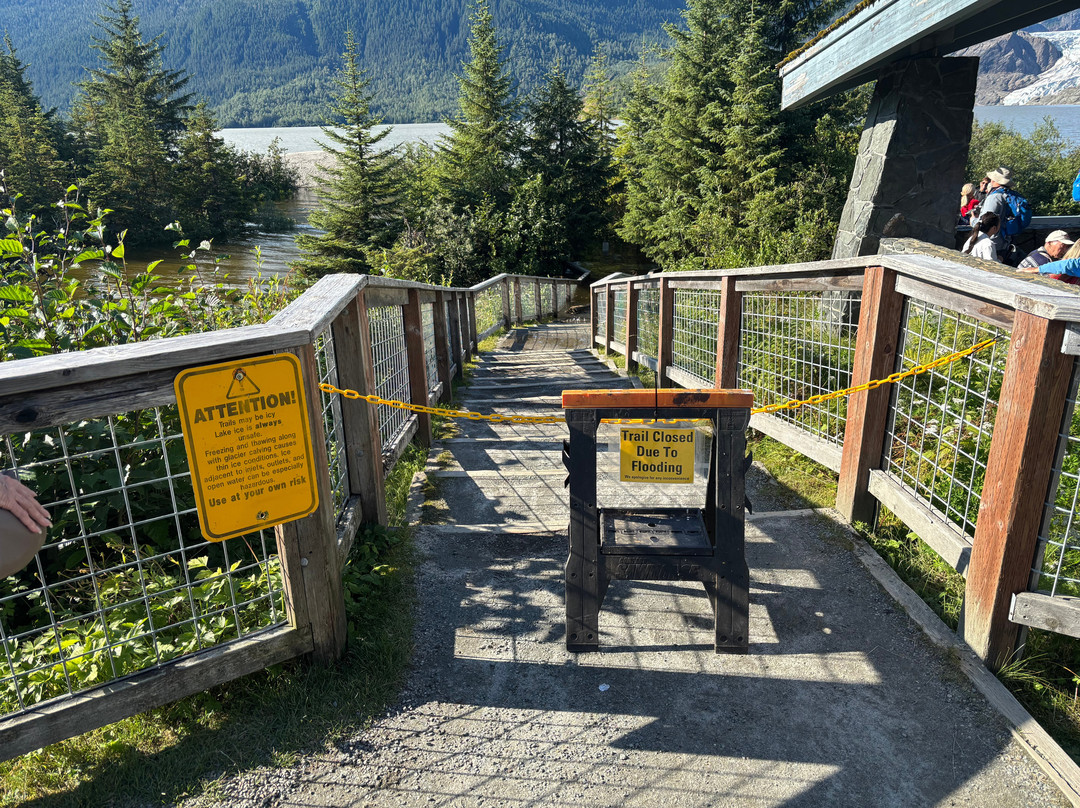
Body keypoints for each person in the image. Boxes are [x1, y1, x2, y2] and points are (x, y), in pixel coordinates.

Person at [979, 167, 1030, 265]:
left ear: (993, 180)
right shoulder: (1011, 195)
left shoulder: (995, 197)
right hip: (1007, 243)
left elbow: (985, 221)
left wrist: (973, 220)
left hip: (992, 243)